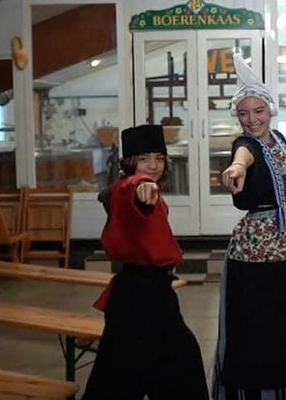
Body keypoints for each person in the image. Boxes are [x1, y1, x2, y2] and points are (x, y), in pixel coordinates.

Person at [212, 53, 286, 400]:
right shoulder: (245, 144)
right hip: (258, 249)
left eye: (258, 111)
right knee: (262, 321)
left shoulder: (279, 139)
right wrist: (235, 170)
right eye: (244, 114)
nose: (252, 120)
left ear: (270, 111)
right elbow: (242, 156)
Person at [82, 125, 208, 400]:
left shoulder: (139, 191)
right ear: (130, 163)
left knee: (172, 366)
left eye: (159, 158)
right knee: (122, 375)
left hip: (150, 292)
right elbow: (134, 189)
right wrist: (142, 188)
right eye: (144, 159)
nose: (153, 165)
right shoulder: (131, 188)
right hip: (138, 297)